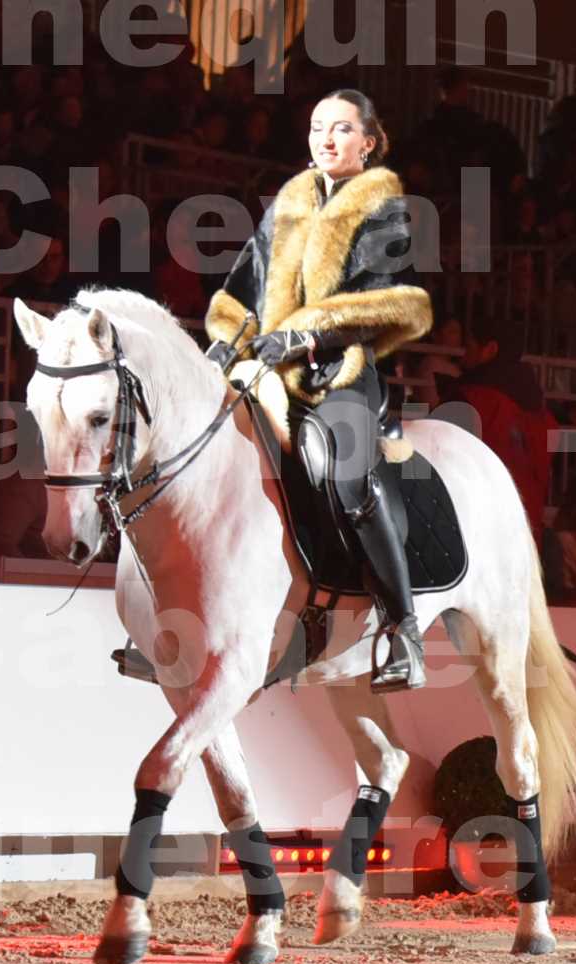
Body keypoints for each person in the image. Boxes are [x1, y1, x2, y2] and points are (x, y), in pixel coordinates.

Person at [203, 88, 433, 690]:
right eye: (316, 128)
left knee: (344, 477)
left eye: (340, 129)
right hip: (268, 371)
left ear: (369, 141)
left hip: (341, 373)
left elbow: (376, 303)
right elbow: (244, 286)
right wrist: (229, 338)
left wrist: (303, 339)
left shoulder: (387, 211)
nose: (326, 139)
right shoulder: (286, 206)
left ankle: (402, 629)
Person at [435, 315, 556, 541]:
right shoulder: (544, 415)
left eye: (469, 346)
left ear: (489, 349)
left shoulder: (469, 399)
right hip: (525, 540)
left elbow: (434, 465)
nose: (463, 354)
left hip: (472, 534)